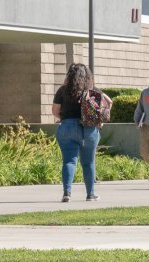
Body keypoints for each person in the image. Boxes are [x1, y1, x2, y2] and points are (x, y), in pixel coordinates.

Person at [52, 63, 102, 202]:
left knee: (69, 161)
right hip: (89, 130)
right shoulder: (92, 91)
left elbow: (55, 111)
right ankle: (90, 194)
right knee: (89, 162)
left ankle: (67, 193)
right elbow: (106, 104)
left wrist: (66, 118)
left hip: (67, 127)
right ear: (87, 76)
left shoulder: (63, 91)